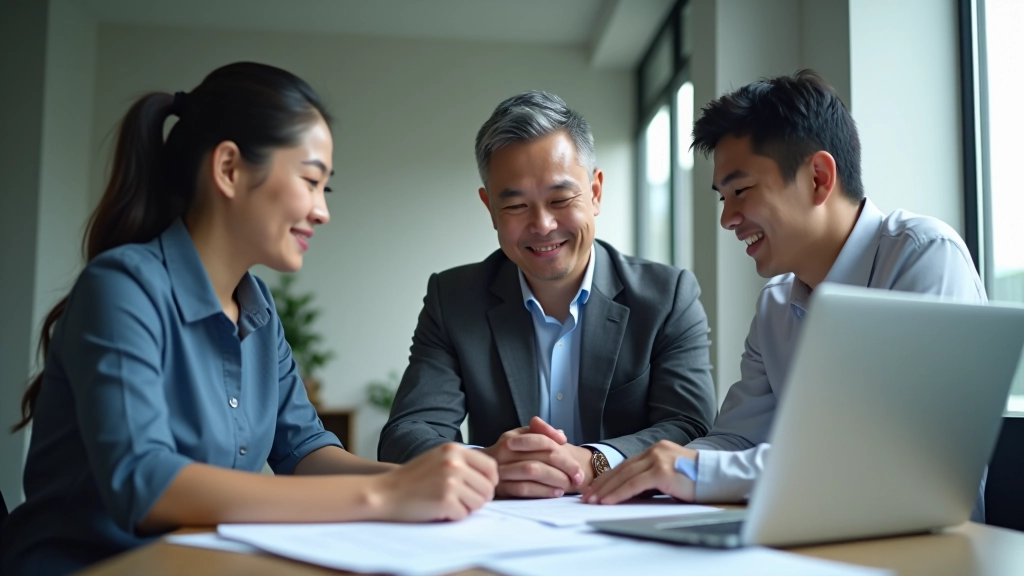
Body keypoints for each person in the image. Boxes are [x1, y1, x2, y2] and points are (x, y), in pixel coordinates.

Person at [0, 62, 497, 575]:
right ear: (229, 169)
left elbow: (304, 450)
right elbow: (144, 482)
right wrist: (385, 493)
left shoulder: (256, 306)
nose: (322, 211)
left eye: (325, 189)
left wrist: (434, 479)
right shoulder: (122, 287)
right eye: (310, 180)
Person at [583, 70, 988, 522]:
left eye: (741, 191)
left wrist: (697, 471)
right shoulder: (776, 304)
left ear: (818, 177)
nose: (728, 219)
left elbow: (902, 461)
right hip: (802, 536)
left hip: (920, 547)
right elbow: (736, 440)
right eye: (722, 198)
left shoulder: (924, 256)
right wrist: (652, 467)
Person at [378, 90, 717, 499]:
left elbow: (691, 426)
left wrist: (594, 460)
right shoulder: (453, 299)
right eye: (517, 206)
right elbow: (406, 433)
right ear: (490, 209)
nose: (542, 225)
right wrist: (487, 464)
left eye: (560, 199)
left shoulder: (667, 297)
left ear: (595, 192)